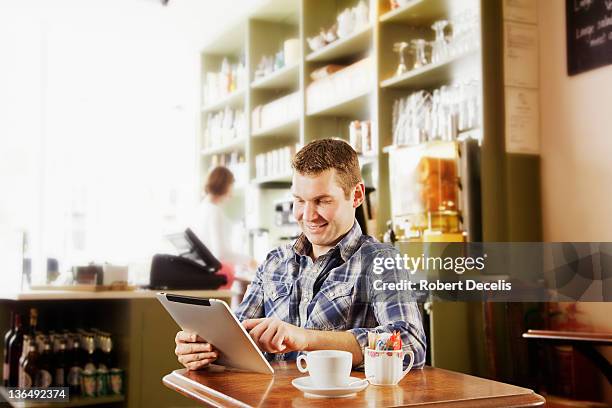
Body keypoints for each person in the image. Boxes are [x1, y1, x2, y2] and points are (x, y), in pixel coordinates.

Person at [175, 139, 426, 370]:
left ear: (357, 195)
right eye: (299, 201)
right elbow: (235, 336)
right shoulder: (275, 262)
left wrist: (305, 339)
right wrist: (202, 346)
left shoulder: (380, 261)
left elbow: (410, 343)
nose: (308, 215)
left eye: (322, 201)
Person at [191, 166, 251, 266]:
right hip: (213, 274)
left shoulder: (201, 208)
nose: (232, 190)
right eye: (232, 184)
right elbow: (222, 254)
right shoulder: (214, 211)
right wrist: (250, 261)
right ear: (225, 185)